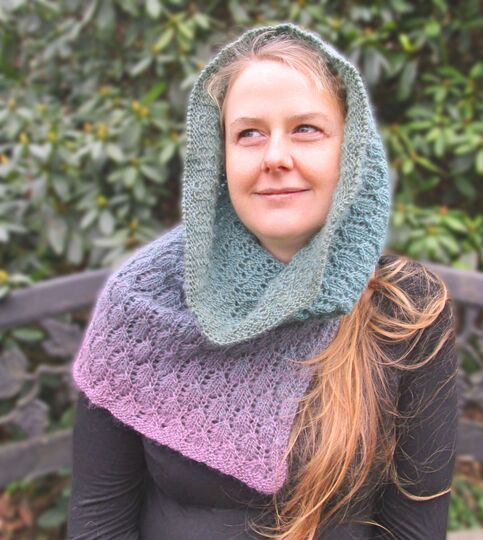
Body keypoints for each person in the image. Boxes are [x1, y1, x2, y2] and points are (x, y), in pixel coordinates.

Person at [67, 22, 458, 539]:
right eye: (248, 133)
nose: (275, 156)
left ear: (351, 151)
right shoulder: (140, 305)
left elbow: (414, 526)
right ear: (220, 158)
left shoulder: (405, 310)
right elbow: (98, 522)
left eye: (306, 129)